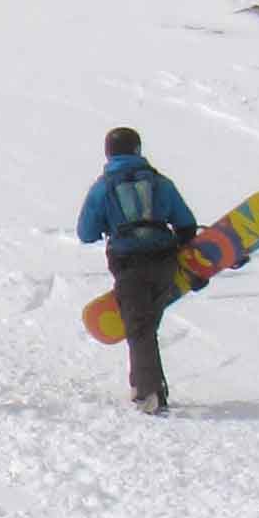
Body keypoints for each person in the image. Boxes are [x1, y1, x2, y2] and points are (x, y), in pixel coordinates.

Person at [76, 123, 200, 412]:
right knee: (146, 326)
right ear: (138, 150)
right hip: (165, 261)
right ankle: (146, 384)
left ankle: (148, 393)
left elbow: (86, 233)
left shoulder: (103, 188)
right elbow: (185, 223)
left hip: (129, 265)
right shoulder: (160, 183)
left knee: (138, 328)